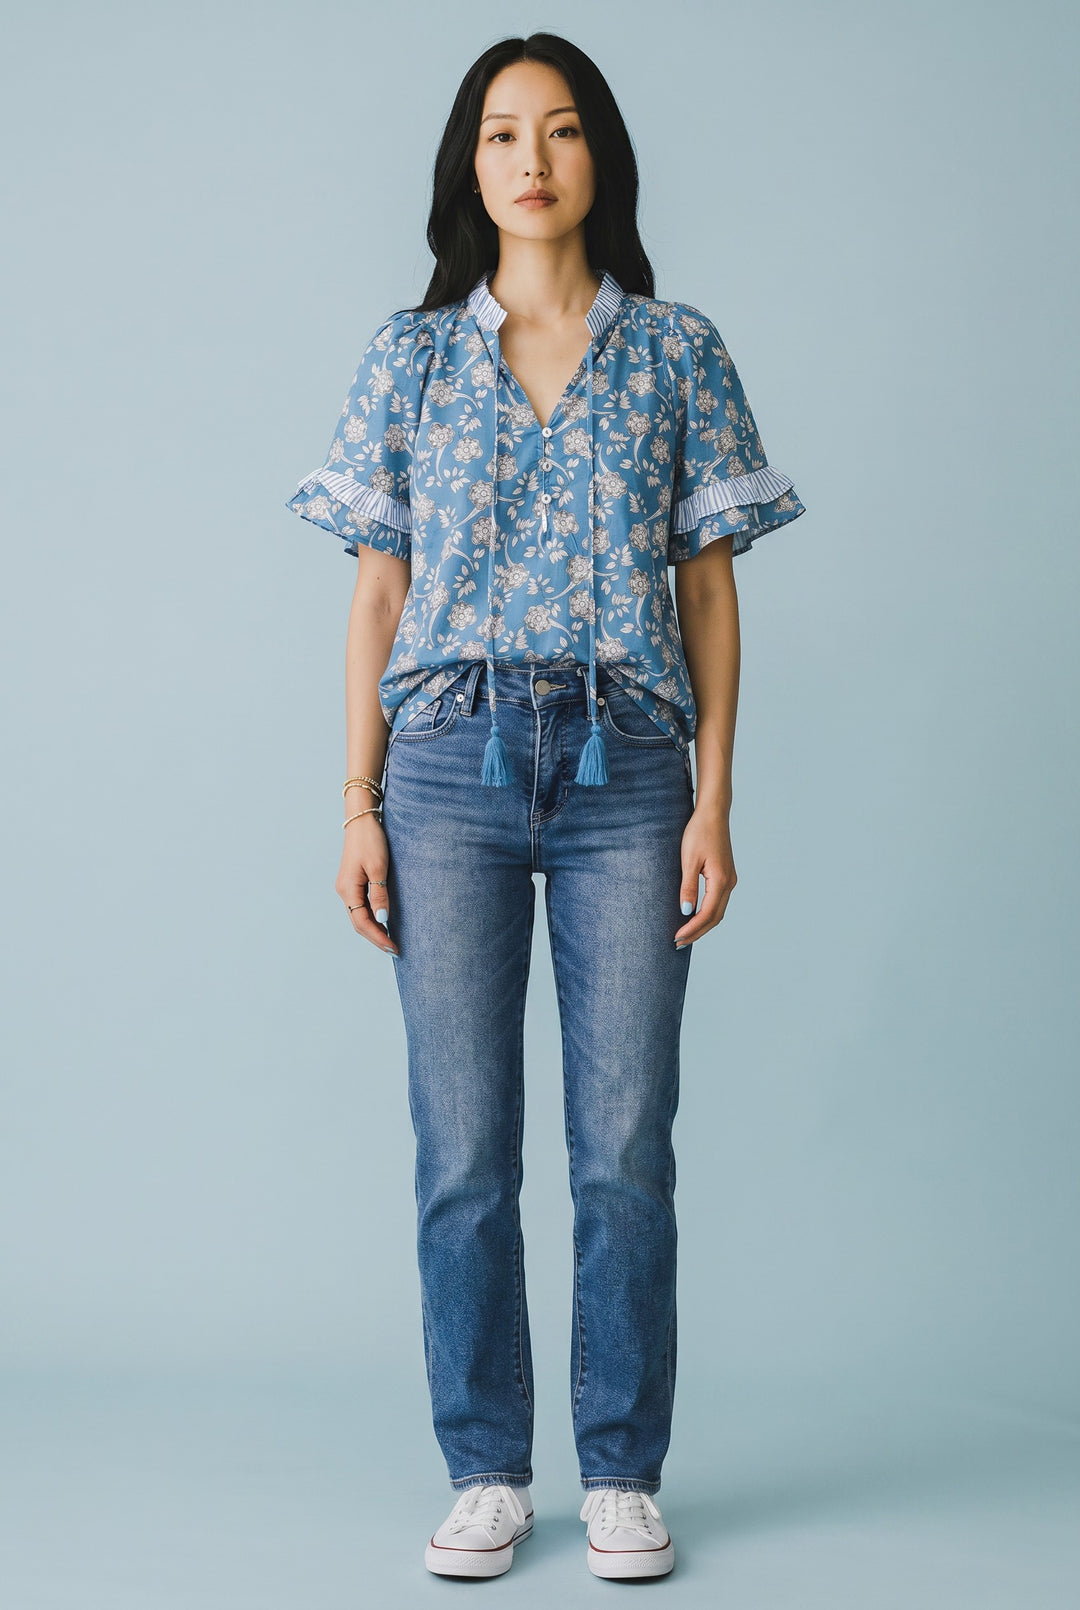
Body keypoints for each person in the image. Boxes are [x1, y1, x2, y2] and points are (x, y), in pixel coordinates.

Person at [285, 31, 806, 1582]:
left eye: (562, 131)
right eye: (504, 133)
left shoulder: (679, 350)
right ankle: (489, 1465)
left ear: (599, 162)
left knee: (624, 1140)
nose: (531, 158)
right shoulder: (414, 353)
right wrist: (359, 796)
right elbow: (377, 593)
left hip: (627, 768)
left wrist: (716, 797)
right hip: (444, 761)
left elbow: (708, 594)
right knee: (462, 1141)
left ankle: (625, 1466)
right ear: (469, 166)